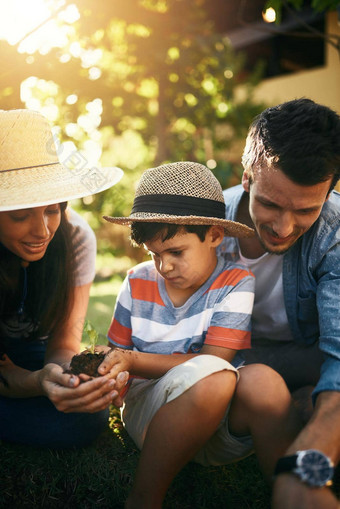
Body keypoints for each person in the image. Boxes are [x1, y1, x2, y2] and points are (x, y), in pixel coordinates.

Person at [99, 161, 302, 508]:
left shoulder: (236, 282)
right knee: (215, 380)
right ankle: (144, 498)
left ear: (214, 236)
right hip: (153, 415)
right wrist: (114, 374)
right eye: (155, 255)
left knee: (261, 380)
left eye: (176, 252)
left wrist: (132, 359)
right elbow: (116, 354)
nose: (164, 267)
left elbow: (215, 361)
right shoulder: (136, 282)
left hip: (219, 424)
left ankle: (290, 494)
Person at [218, 98, 340, 508]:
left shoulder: (336, 230)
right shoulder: (206, 219)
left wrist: (304, 469)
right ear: (247, 176)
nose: (283, 227)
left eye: (306, 209)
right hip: (228, 362)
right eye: (269, 204)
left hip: (311, 356)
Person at [0, 108, 127, 448]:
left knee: (84, 419)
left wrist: (61, 379)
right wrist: (36, 383)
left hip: (31, 354)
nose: (42, 231)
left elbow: (62, 344)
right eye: (19, 215)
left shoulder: (76, 239)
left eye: (53, 209)